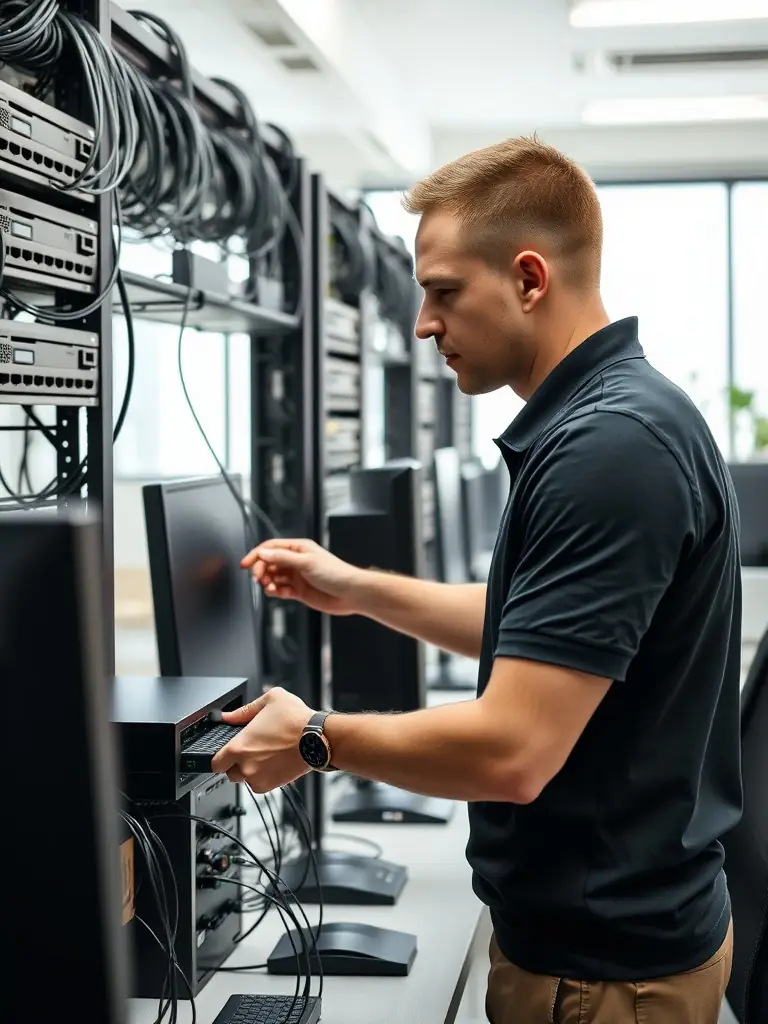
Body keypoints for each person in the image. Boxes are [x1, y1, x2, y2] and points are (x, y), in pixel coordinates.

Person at [211, 136, 743, 1024]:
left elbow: (512, 752)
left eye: (443, 291)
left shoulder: (610, 450)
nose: (423, 323)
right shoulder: (611, 417)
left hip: (604, 978)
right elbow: (536, 631)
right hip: (614, 947)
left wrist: (314, 738)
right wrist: (358, 588)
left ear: (530, 279)